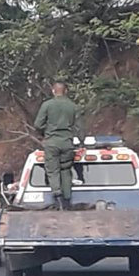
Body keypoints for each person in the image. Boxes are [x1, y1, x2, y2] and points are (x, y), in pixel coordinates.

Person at [34, 81, 85, 210]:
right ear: (66, 91)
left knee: (53, 170)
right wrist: (82, 142)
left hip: (52, 142)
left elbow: (38, 124)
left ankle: (58, 198)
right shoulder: (73, 106)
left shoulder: (47, 105)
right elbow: (79, 127)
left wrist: (45, 133)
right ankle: (67, 200)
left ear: (53, 91)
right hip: (67, 142)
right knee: (66, 170)